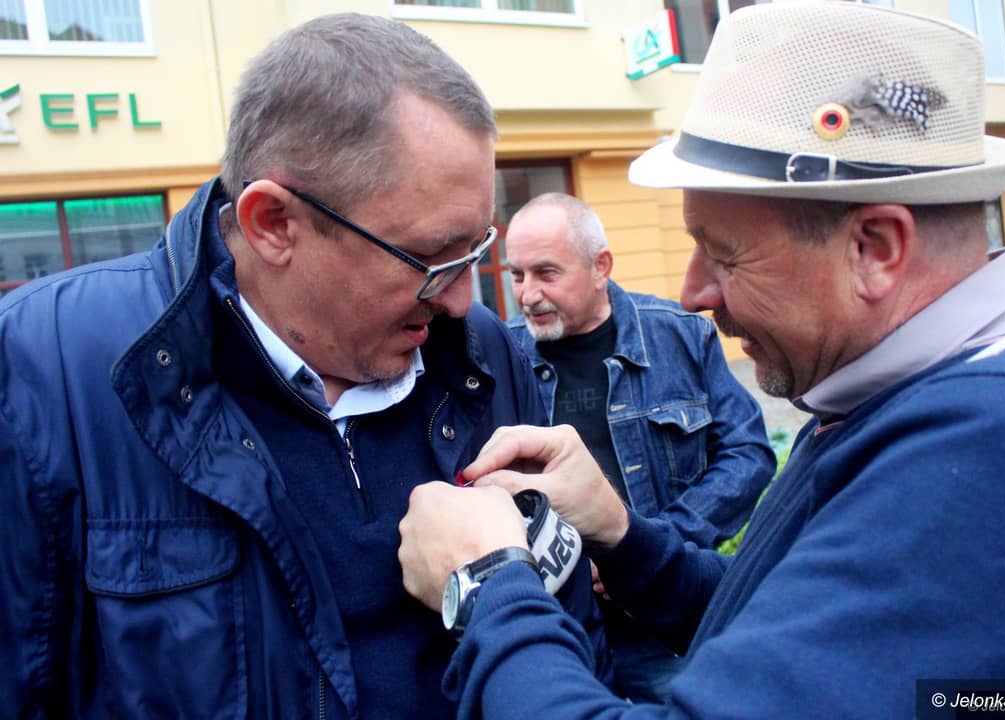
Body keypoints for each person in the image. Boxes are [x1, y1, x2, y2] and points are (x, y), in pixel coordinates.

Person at [398, 2, 1005, 717]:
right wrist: (623, 536)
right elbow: (776, 630)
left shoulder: (996, 444)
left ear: (874, 249)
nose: (694, 294)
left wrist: (490, 584)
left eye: (725, 255)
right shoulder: (900, 398)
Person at [0, 13, 609, 719]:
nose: (461, 300)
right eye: (429, 257)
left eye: (475, 250)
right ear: (273, 224)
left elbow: (572, 629)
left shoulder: (484, 352)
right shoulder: (45, 370)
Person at [503, 192, 774, 701]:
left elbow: (747, 453)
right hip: (558, 623)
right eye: (516, 274)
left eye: (546, 273)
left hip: (658, 622)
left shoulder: (680, 334)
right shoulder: (502, 353)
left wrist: (649, 547)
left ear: (600, 266)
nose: (528, 294)